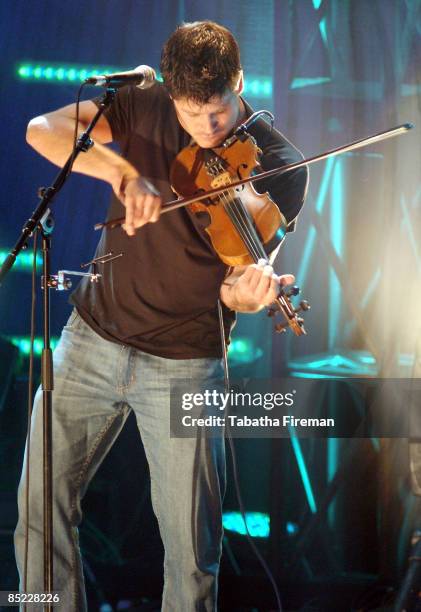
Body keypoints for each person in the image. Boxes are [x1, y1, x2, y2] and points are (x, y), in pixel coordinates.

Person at [14, 21, 308, 611]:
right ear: (170, 93)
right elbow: (41, 131)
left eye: (219, 114)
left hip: (186, 361)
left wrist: (247, 298)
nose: (206, 130)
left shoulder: (279, 163)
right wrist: (123, 173)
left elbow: (238, 280)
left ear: (240, 83)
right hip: (92, 337)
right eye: (191, 115)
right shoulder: (144, 99)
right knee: (39, 515)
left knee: (190, 551)